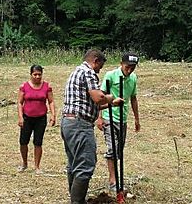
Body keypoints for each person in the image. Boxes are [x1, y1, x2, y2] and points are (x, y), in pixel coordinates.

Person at [61, 50, 123, 204]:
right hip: (80, 125)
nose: (99, 70)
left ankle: (75, 199)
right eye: (100, 66)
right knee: (85, 164)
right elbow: (98, 97)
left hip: (69, 122)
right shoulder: (87, 72)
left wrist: (111, 104)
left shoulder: (76, 71)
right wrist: (110, 97)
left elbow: (88, 105)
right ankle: (77, 202)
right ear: (95, 60)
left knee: (74, 164)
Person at [97, 52, 141, 193]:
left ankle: (117, 177)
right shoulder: (111, 75)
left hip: (123, 118)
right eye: (128, 66)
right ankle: (112, 180)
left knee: (119, 150)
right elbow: (100, 97)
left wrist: (136, 118)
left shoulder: (133, 78)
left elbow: (133, 98)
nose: (130, 70)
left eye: (133, 67)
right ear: (121, 64)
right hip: (109, 116)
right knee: (112, 149)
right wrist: (99, 117)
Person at [17, 64, 56, 174]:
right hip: (27, 118)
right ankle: (24, 163)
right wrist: (20, 117)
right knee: (23, 141)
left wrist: (53, 115)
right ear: (31, 75)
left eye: (39, 74)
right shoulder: (24, 87)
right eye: (35, 74)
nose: (37, 77)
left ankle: (37, 166)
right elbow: (20, 103)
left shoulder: (47, 87)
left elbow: (51, 101)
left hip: (41, 118)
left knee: (38, 142)